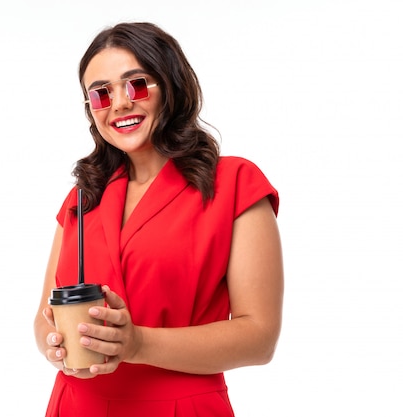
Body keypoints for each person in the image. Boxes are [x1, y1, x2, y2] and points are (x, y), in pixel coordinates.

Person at [33, 21, 283, 417]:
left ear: (171, 86)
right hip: (77, 405)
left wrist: (138, 345)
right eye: (100, 94)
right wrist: (55, 346)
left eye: (135, 85)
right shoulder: (83, 198)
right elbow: (45, 316)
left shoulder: (235, 183)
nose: (118, 104)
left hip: (180, 407)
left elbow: (260, 338)